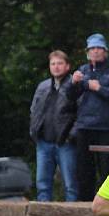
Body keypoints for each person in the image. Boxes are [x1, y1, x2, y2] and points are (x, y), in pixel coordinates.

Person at [72, 33, 109, 201]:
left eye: (99, 48)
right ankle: (84, 204)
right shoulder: (82, 70)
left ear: (105, 51)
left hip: (106, 127)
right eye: (92, 48)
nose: (95, 52)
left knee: (107, 169)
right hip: (84, 126)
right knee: (84, 170)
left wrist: (99, 88)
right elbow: (70, 97)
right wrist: (73, 83)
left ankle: (107, 202)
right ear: (87, 52)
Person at [29, 50, 82, 202]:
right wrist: (34, 132)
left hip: (65, 143)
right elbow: (33, 110)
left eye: (60, 63)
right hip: (43, 142)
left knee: (70, 184)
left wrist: (71, 135)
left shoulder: (74, 85)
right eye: (53, 64)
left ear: (67, 66)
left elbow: (81, 114)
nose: (56, 67)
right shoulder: (43, 86)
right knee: (42, 184)